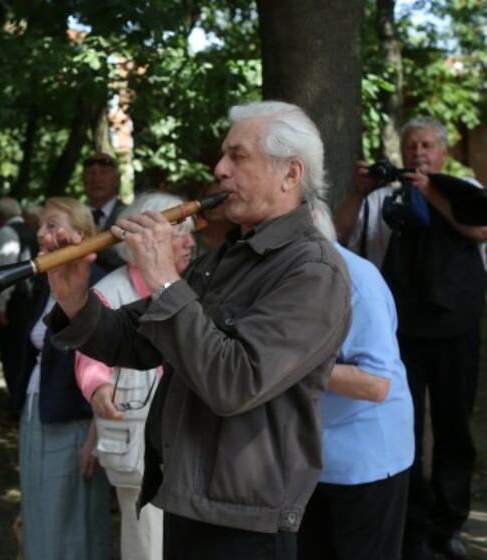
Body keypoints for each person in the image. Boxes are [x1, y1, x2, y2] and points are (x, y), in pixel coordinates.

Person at [44, 101, 351, 560]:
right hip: (190, 496)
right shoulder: (228, 257)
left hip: (247, 518)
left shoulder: (313, 271)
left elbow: (233, 382)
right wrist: (74, 297)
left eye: (238, 156)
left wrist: (165, 278)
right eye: (224, 156)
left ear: (291, 174)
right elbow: (135, 338)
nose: (219, 169)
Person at [334, 117, 487, 560]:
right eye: (411, 146)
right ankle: (412, 526)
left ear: (442, 151)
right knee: (405, 428)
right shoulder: (384, 192)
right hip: (402, 330)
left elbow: (478, 229)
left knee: (454, 425)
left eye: (426, 145)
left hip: (456, 328)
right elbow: (340, 233)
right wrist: (361, 191)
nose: (418, 152)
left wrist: (429, 191)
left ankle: (449, 523)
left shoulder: (462, 186)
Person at [75, 191, 196, 560]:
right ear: (143, 239)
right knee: (147, 542)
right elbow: (89, 357)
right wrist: (98, 389)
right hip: (137, 441)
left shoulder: (194, 284)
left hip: (188, 441)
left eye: (191, 232)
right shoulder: (110, 290)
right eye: (178, 235)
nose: (190, 241)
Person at [297, 200, 414, 559]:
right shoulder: (291, 275)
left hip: (367, 459)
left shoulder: (357, 281)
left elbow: (375, 383)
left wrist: (286, 364)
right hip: (309, 459)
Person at [16, 197, 110, 560]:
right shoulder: (48, 282)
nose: (42, 233)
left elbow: (108, 364)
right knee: (39, 514)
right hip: (37, 412)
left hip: (75, 421)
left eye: (53, 225)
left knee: (72, 522)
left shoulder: (98, 282)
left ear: (80, 235)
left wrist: (94, 436)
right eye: (41, 225)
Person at [0, 197, 34, 402]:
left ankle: (16, 402)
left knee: (12, 354)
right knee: (24, 352)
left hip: (14, 303)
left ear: (0, 216)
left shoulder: (7, 233)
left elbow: (6, 273)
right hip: (30, 300)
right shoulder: (31, 229)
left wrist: (0, 308)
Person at [82, 152, 128, 272]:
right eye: (91, 173)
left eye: (103, 173)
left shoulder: (130, 215)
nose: (96, 179)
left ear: (117, 180)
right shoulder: (73, 216)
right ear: (83, 181)